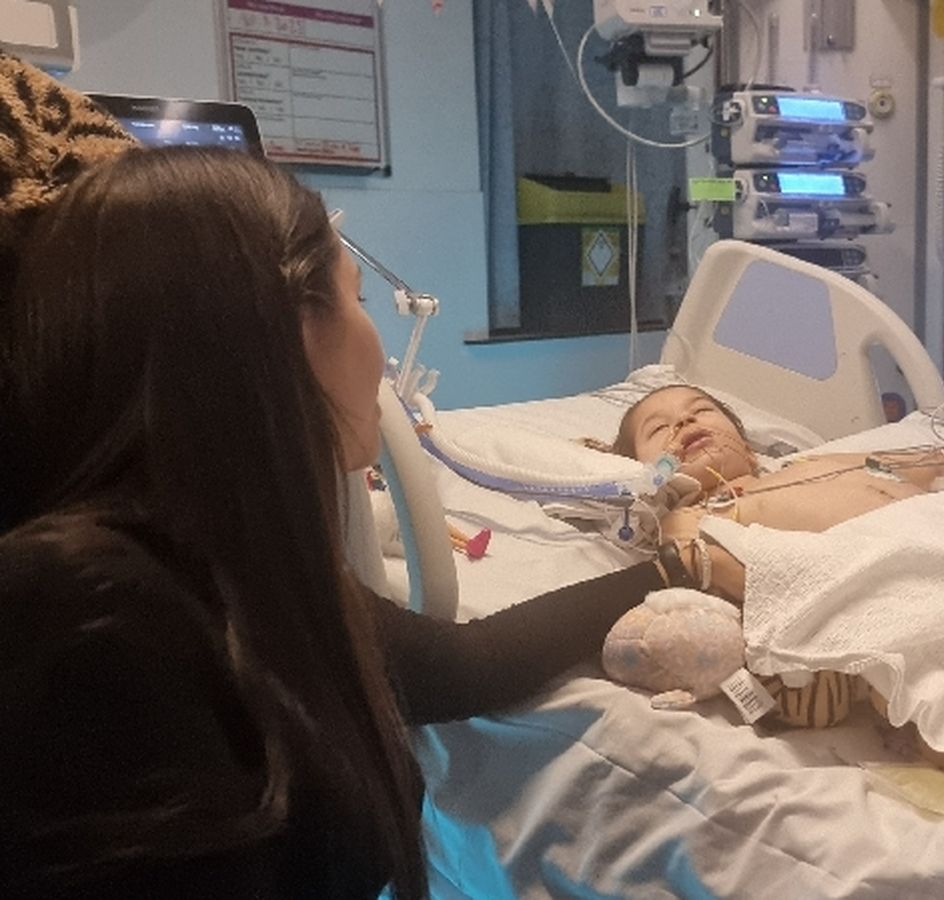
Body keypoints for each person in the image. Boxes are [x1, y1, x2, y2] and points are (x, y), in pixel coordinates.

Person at [0, 146, 675, 899]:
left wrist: (677, 569)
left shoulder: (236, 572)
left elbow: (466, 663)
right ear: (288, 331)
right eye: (359, 299)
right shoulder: (85, 614)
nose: (379, 350)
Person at [610, 384, 944, 806]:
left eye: (701, 411)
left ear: (744, 440)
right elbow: (719, 571)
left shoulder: (820, 464)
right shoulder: (693, 518)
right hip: (918, 607)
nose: (684, 423)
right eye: (660, 429)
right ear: (647, 470)